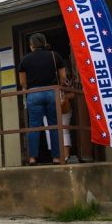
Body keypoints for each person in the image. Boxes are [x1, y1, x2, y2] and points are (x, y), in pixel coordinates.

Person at [18, 32, 67, 165]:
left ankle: (33, 158)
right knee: (54, 125)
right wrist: (60, 87)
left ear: (32, 45)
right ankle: (56, 157)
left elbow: (23, 83)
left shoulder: (25, 59)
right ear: (44, 43)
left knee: (34, 126)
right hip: (52, 92)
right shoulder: (54, 55)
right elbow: (63, 77)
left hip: (34, 93)